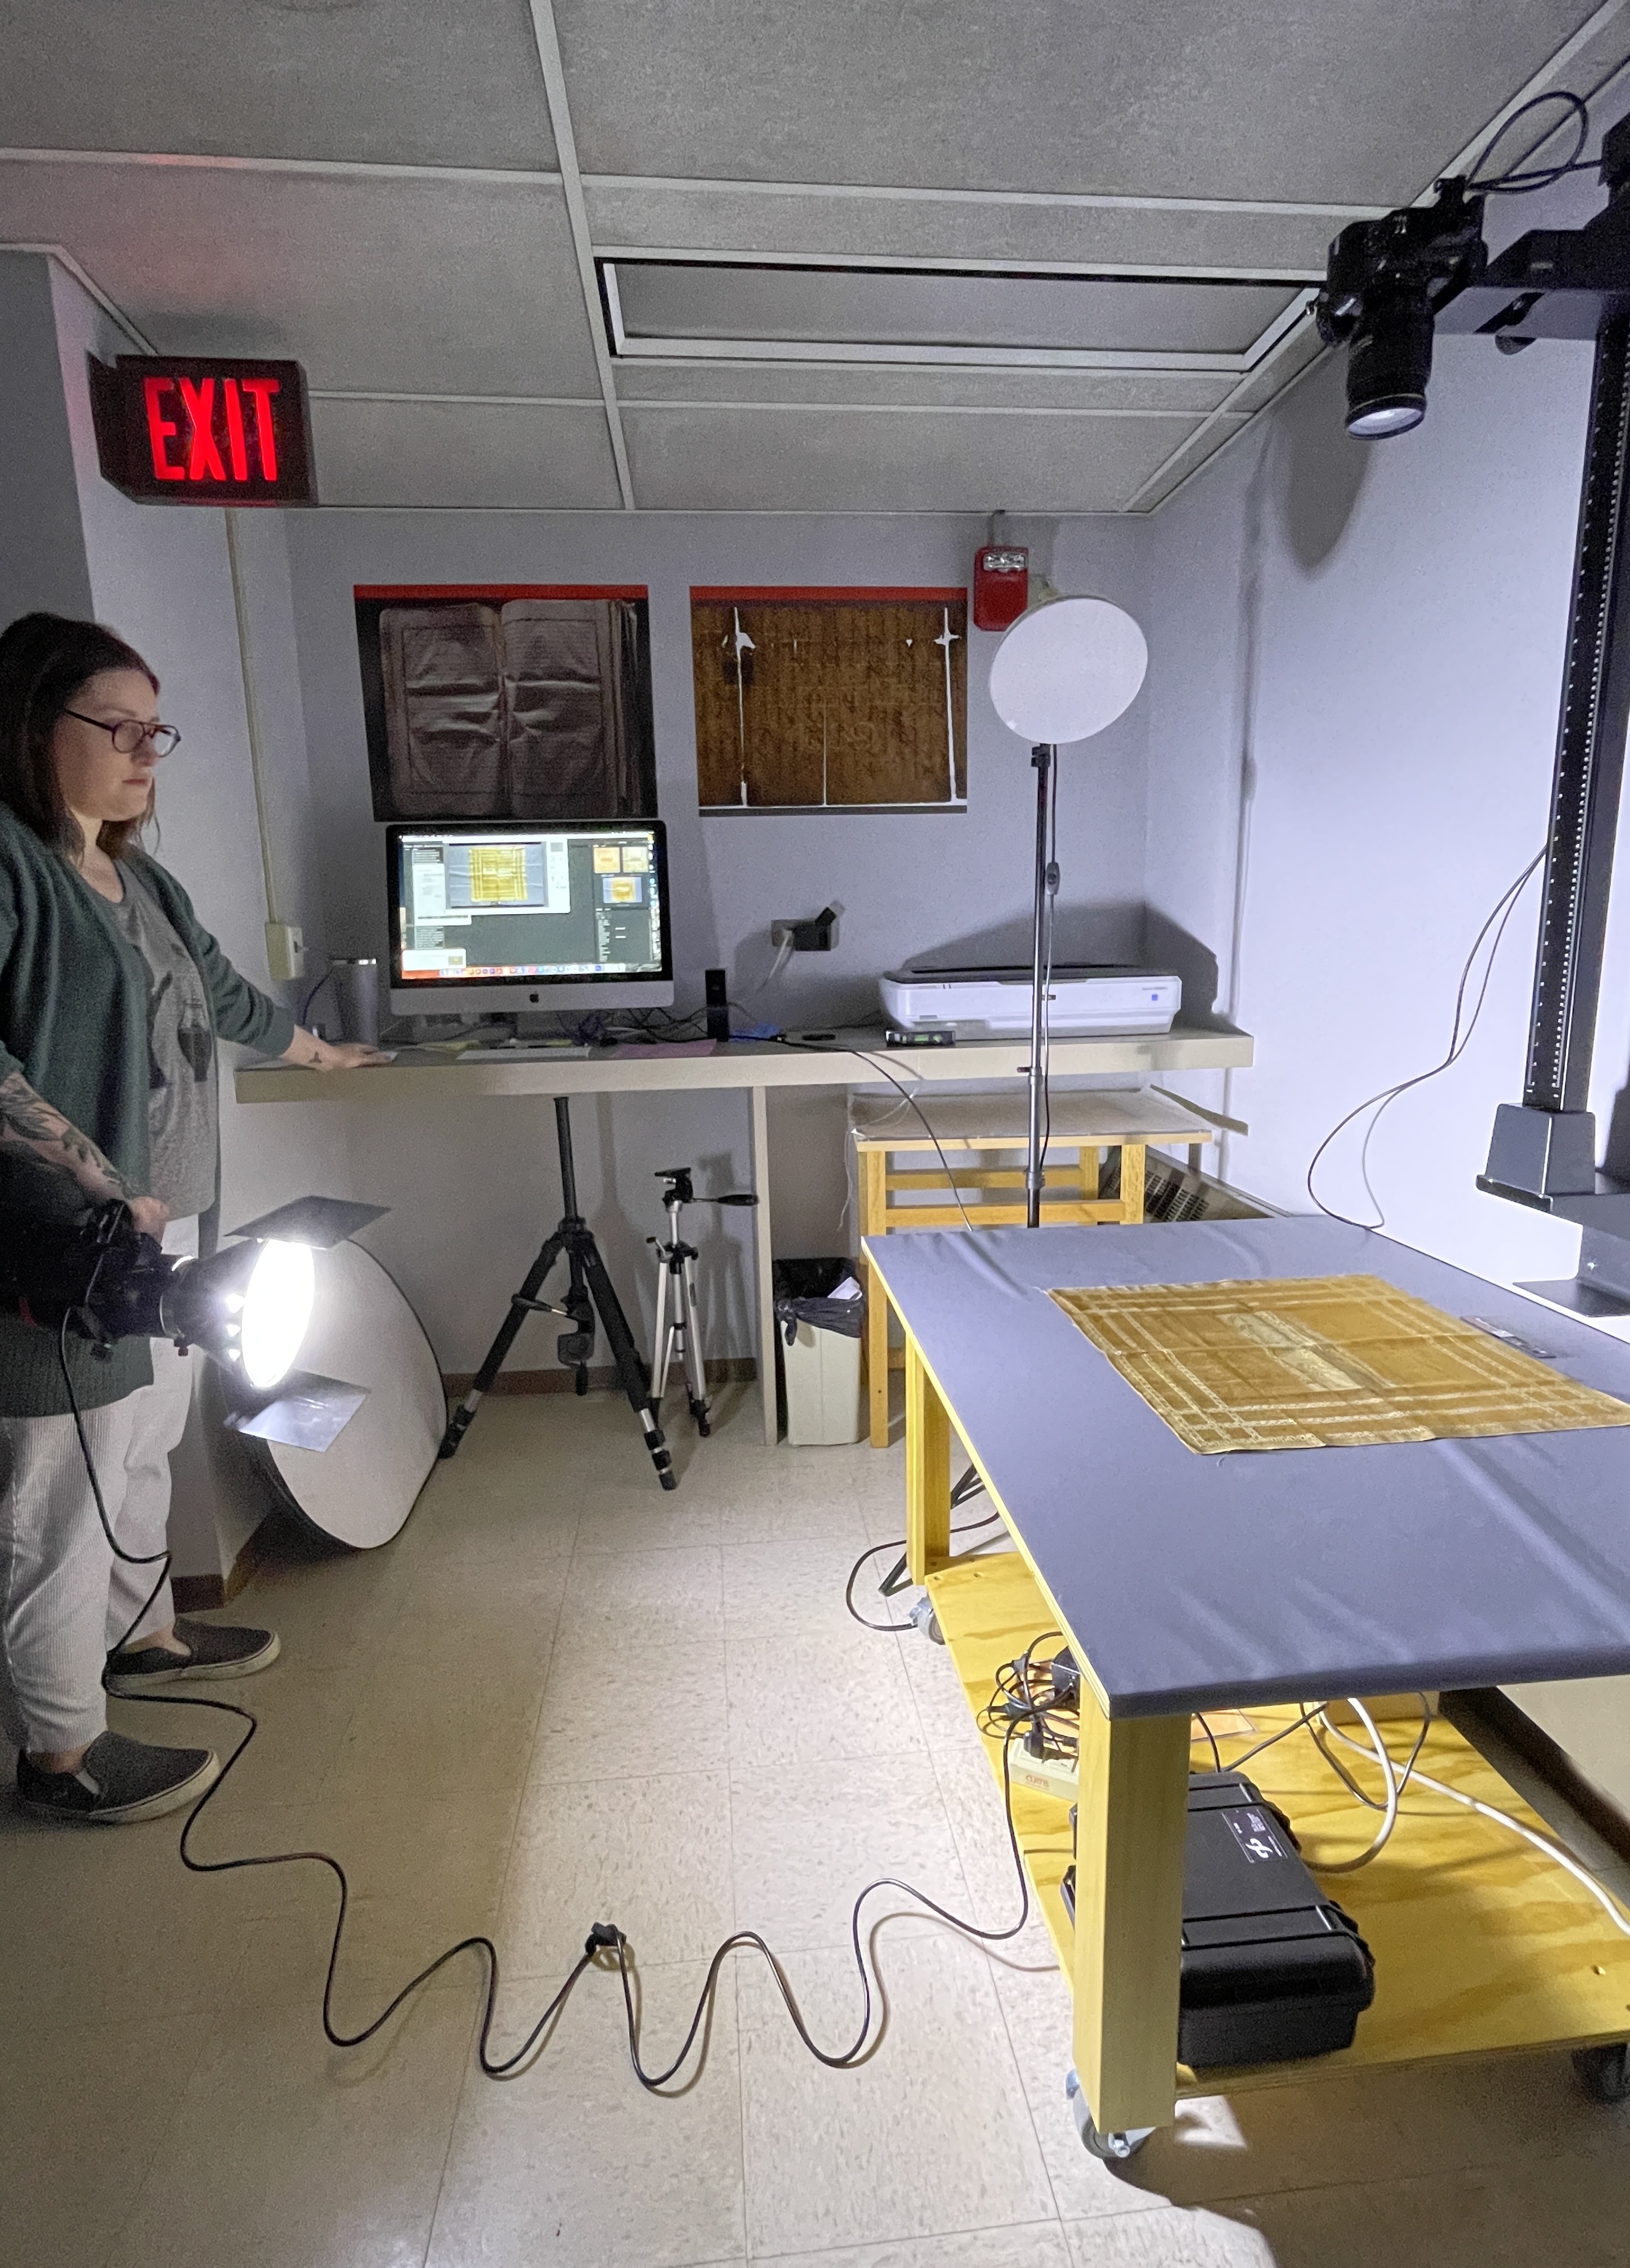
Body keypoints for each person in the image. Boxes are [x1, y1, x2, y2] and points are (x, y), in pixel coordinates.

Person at [0, 611, 386, 1823]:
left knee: (148, 1445)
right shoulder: (14, 867)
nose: (143, 751)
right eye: (115, 726)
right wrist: (91, 1173)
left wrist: (316, 1047)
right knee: (62, 1492)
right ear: (29, 726)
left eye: (153, 727)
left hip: (163, 1235)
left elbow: (211, 985)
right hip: (58, 1249)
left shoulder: (135, 871)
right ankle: (58, 1753)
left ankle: (144, 1636)